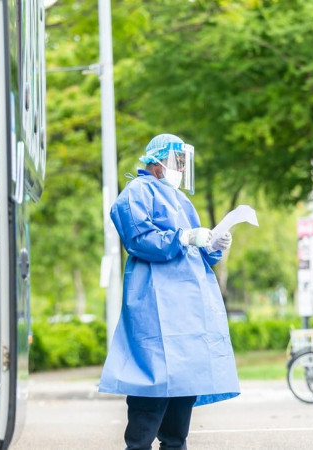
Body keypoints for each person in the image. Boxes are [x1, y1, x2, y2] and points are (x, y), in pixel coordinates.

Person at [98, 134, 240, 450]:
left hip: (188, 308)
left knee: (183, 390)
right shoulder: (136, 192)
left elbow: (197, 250)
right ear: (158, 160)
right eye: (179, 161)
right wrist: (183, 237)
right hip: (155, 303)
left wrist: (213, 244)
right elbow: (139, 239)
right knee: (152, 387)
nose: (182, 168)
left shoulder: (181, 200)